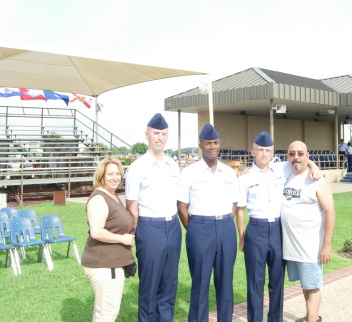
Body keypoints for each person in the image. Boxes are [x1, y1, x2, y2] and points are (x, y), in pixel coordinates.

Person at [177, 123, 238, 322]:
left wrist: (223, 221)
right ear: (201, 145)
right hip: (200, 229)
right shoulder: (189, 172)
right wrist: (195, 228)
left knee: (225, 283)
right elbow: (182, 207)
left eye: (216, 143)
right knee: (200, 284)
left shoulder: (229, 172)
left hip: (226, 227)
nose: (213, 147)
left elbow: (234, 204)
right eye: (208, 143)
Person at [125, 113, 182, 322]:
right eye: (156, 133)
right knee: (149, 287)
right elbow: (131, 204)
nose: (160, 137)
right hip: (150, 228)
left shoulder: (173, 165)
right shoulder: (137, 168)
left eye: (164, 134)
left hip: (173, 227)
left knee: (169, 285)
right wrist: (139, 232)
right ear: (147, 135)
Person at [281, 141, 335, 322]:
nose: (296, 157)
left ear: (307, 155)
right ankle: (310, 316)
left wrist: (326, 246)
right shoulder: (286, 173)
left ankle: (313, 319)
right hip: (292, 247)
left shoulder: (317, 180)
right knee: (305, 284)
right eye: (292, 153)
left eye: (300, 153)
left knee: (312, 286)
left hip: (310, 246)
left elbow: (330, 212)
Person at [236, 132, 285, 322]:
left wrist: (313, 166)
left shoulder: (282, 171)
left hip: (278, 230)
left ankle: (275, 319)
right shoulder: (245, 178)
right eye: (260, 150)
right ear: (252, 152)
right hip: (256, 230)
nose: (264, 154)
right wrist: (242, 236)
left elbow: (303, 162)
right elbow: (240, 209)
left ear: (273, 152)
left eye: (268, 150)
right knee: (255, 281)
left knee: (277, 279)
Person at [82, 157, 135, 322]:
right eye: (110, 174)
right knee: (107, 314)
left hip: (111, 264)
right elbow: (96, 232)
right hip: (105, 265)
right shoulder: (99, 198)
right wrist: (122, 239)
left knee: (103, 312)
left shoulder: (112, 195)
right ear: (101, 176)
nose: (115, 177)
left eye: (118, 173)